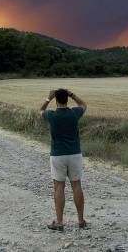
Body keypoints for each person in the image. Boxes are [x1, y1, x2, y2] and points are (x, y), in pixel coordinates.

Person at [39, 88, 88, 231]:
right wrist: (72, 94)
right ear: (67, 99)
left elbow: (40, 111)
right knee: (77, 186)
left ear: (56, 99)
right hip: (75, 154)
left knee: (59, 187)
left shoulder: (51, 115)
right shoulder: (74, 113)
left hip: (57, 155)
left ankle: (59, 222)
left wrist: (48, 98)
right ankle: (81, 221)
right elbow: (84, 105)